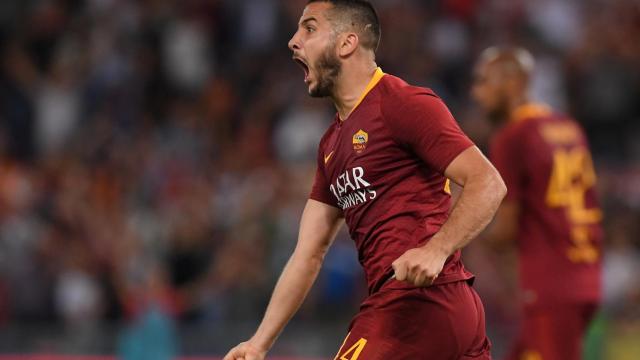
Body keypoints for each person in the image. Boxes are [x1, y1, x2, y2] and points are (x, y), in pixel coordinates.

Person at [224, 1, 506, 359]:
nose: (294, 41)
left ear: (347, 43)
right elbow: (308, 254)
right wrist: (259, 342)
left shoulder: (402, 103)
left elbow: (488, 182)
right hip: (435, 309)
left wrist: (437, 249)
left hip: (415, 303)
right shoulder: (331, 145)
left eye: (309, 28)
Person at [472, 47, 602, 360]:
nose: (477, 92)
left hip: (550, 284)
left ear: (514, 83)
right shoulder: (569, 127)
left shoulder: (513, 136)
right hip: (586, 276)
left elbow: (505, 230)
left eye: (484, 81)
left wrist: (461, 232)